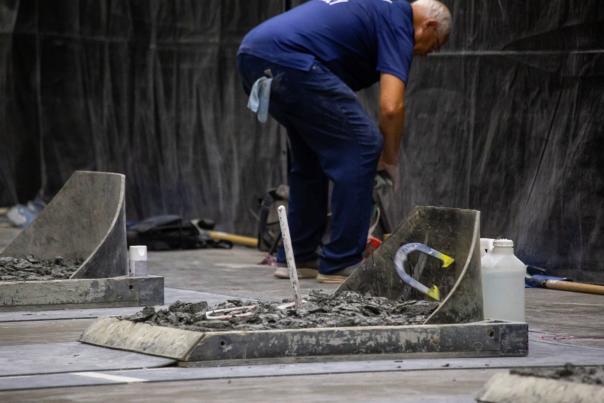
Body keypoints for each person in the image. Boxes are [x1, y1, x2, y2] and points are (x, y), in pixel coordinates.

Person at [238, 0, 452, 284]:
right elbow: (391, 107)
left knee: (310, 155)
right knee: (363, 144)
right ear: (429, 25)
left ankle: (300, 257)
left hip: (254, 53)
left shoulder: (374, 9)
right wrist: (389, 159)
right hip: (292, 59)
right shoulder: (398, 20)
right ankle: (341, 261)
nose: (425, 54)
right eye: (434, 45)